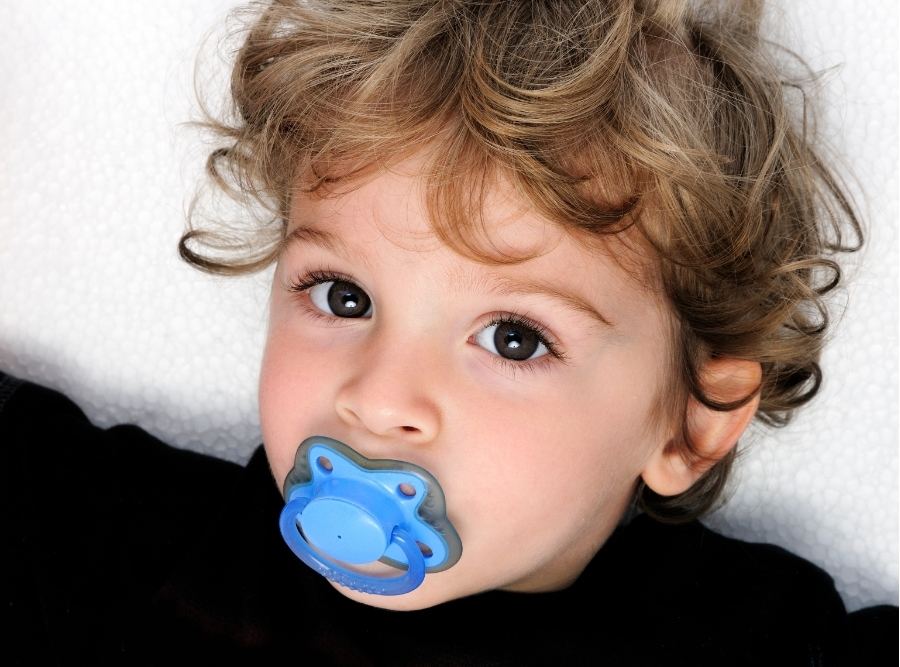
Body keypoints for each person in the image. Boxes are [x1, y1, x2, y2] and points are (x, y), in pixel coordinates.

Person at [2, 0, 896, 664]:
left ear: (694, 421)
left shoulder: (752, 644)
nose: (380, 397)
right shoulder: (146, 557)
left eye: (514, 337)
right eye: (343, 297)